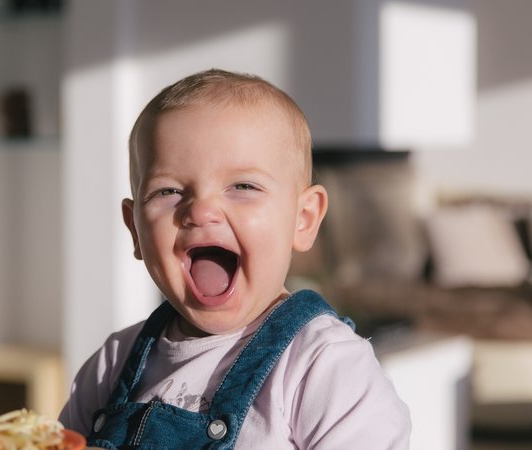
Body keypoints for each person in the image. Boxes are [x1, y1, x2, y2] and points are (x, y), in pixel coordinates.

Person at [59, 69, 411, 449]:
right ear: (135, 230)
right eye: (169, 191)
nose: (201, 210)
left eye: (243, 186)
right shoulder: (113, 364)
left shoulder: (324, 366)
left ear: (303, 219)